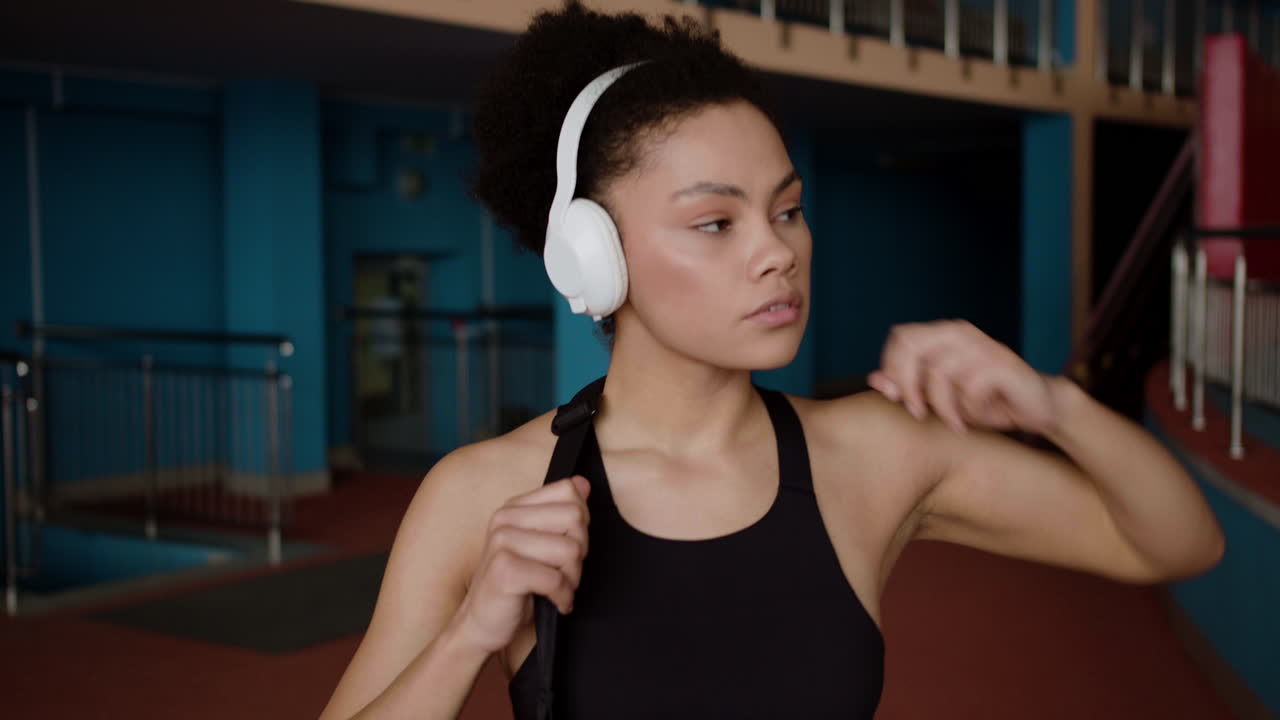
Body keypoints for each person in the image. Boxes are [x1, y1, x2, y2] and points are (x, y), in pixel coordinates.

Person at [319, 3, 1224, 718]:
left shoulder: (873, 454)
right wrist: (469, 635)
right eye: (716, 222)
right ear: (594, 258)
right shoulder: (488, 494)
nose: (776, 251)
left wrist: (1050, 405)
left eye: (786, 209)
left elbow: (1179, 541)